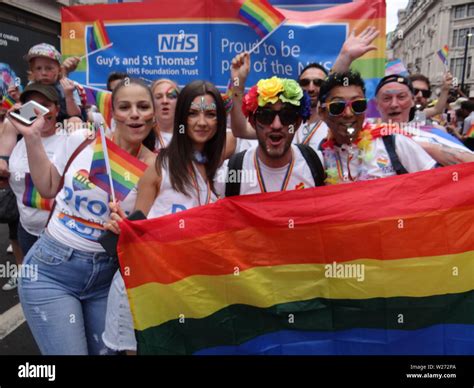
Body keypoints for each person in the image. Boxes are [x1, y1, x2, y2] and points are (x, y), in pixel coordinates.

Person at [8, 78, 156, 355]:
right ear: (113, 113)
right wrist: (31, 137)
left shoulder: (155, 166)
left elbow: (143, 232)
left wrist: (126, 227)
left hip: (105, 280)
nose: (134, 113)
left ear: (153, 114)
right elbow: (48, 186)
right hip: (50, 271)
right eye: (125, 106)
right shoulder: (81, 140)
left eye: (143, 106)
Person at [103, 80, 227, 354]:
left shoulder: (215, 172)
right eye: (193, 113)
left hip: (183, 294)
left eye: (210, 114)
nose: (202, 121)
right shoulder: (160, 166)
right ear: (181, 117)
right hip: (142, 290)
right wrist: (123, 227)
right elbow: (137, 227)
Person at [228, 27, 379, 154]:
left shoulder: (333, 122)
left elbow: (332, 90)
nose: (311, 88)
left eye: (318, 83)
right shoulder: (284, 122)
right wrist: (238, 82)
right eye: (305, 82)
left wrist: (344, 58)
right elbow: (240, 130)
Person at [318, 71, 436, 184]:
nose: (348, 113)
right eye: (337, 106)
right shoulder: (320, 156)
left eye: (358, 105)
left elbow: (436, 183)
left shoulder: (392, 141)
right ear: (321, 113)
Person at [216, 76, 325, 197]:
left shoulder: (317, 163)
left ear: (297, 123)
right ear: (252, 122)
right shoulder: (231, 172)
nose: (276, 125)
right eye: (266, 116)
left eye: (286, 116)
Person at [375, 74, 474, 165]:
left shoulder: (421, 121)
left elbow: (437, 109)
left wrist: (445, 89)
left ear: (411, 100)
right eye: (415, 91)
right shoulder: (371, 128)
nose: (394, 104)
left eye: (401, 96)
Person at [150, 78, 179, 150]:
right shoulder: (144, 137)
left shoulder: (188, 135)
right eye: (158, 97)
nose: (165, 101)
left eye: (171, 96)